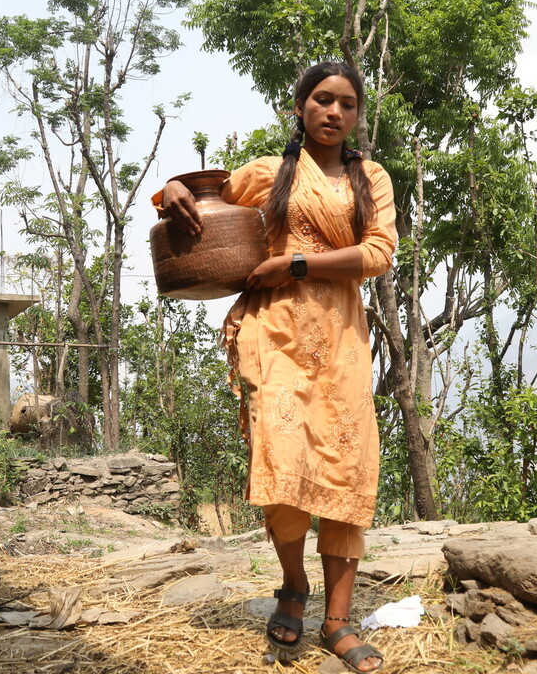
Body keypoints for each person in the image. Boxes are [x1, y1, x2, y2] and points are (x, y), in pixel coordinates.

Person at [159, 61, 396, 673]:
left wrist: (294, 265)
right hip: (274, 336)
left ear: (357, 114)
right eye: (321, 100)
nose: (333, 112)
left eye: (346, 104)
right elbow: (196, 197)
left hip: (341, 340)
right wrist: (171, 190)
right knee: (281, 465)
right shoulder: (268, 174)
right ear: (299, 107)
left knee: (345, 469)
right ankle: (294, 587)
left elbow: (377, 254)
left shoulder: (371, 178)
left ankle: (338, 621)